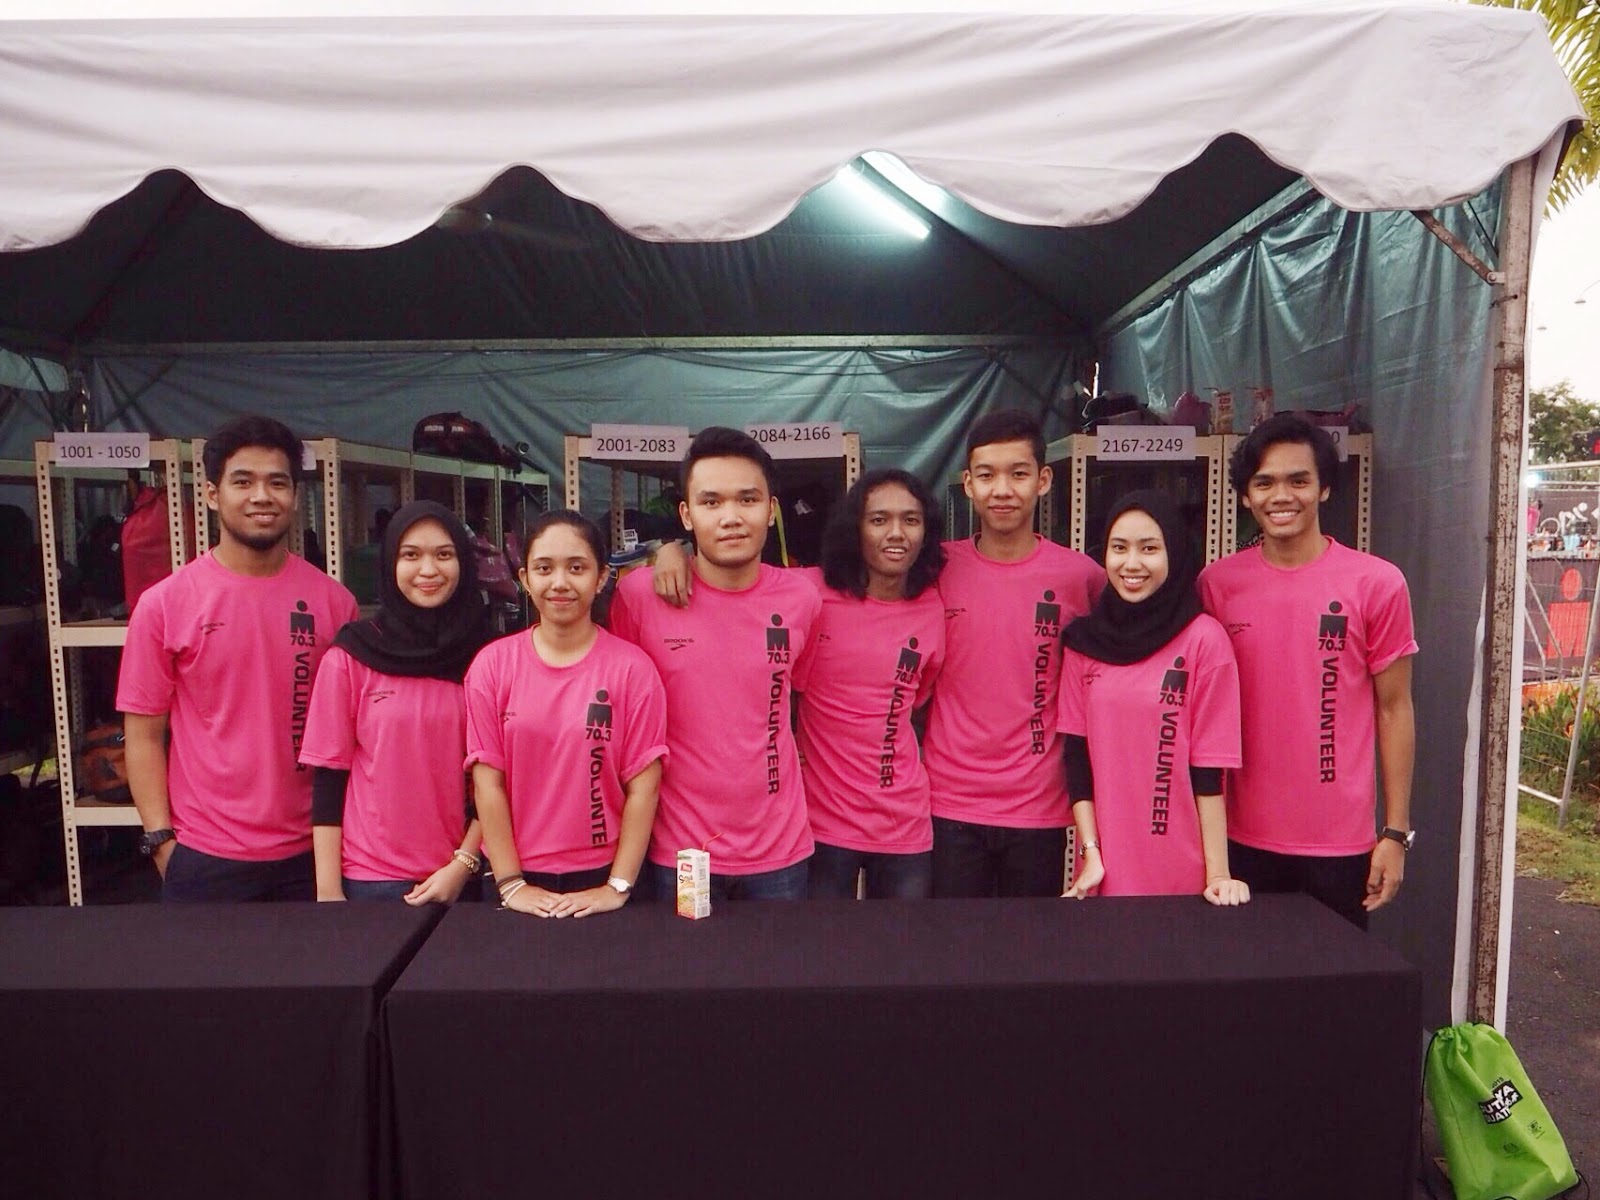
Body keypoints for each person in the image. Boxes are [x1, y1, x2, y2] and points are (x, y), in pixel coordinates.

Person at [118, 414, 359, 901]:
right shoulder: (165, 604)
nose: (261, 496)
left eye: (278, 483)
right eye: (243, 481)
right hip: (205, 856)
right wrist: (161, 841)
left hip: (313, 851)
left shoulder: (335, 603)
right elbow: (143, 735)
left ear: (296, 496)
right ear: (212, 494)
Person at [1199, 413, 1417, 928]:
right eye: (1264, 483)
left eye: (1298, 480)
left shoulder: (1377, 583)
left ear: (1324, 489)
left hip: (1340, 844)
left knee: (1335, 978)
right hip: (1238, 840)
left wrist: (1395, 833)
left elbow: (1394, 708)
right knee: (1242, 977)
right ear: (1245, 496)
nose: (1282, 496)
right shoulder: (1217, 585)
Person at [610, 426, 821, 901]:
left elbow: (800, 692)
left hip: (780, 853)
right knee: (688, 953)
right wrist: (663, 548)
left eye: (748, 500)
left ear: (771, 509)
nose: (731, 518)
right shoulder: (640, 596)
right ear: (686, 515)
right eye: (711, 502)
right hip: (681, 854)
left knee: (777, 954)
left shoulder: (802, 597)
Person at [923, 409, 1103, 897]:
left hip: (1039, 804)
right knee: (955, 941)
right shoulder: (936, 568)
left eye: (1018, 474)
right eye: (987, 475)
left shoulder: (1081, 577)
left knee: (1031, 942)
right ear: (968, 484)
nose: (1002, 490)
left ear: (1043, 480)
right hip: (949, 801)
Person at [465, 511, 667, 917]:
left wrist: (617, 886)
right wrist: (511, 883)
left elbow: (644, 787)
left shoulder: (633, 669)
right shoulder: (492, 666)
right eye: (544, 568)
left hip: (604, 873)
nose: (560, 582)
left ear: (601, 577)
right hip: (513, 875)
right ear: (525, 579)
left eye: (577, 568)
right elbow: (488, 784)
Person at [1057, 490, 1248, 904]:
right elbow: (1076, 759)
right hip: (1103, 870)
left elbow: (1210, 770)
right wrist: (1091, 854)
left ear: (1174, 553)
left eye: (1149, 549)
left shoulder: (1204, 640)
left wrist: (1218, 873)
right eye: (1118, 548)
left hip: (1183, 869)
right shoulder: (1083, 643)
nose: (1131, 564)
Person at [299, 500, 490, 902]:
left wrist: (463, 864)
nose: (428, 570)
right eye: (411, 555)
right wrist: (328, 892)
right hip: (371, 879)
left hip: (461, 876)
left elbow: (498, 778)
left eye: (444, 555)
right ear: (389, 563)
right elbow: (329, 779)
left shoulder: (489, 657)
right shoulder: (353, 654)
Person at [792, 469, 948, 898]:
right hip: (823, 823)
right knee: (824, 942)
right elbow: (737, 582)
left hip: (904, 824)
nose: (896, 533)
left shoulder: (933, 606)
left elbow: (917, 700)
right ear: (854, 529)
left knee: (902, 942)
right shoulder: (808, 593)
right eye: (879, 520)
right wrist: (673, 552)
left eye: (911, 520)